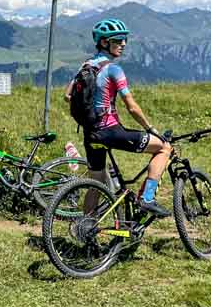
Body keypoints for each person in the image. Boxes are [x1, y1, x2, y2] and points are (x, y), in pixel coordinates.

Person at [64, 18, 173, 217]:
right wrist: (151, 129)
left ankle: (85, 227)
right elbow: (131, 107)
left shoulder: (85, 66)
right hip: (110, 130)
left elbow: (67, 95)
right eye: (118, 40)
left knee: (96, 184)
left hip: (91, 134)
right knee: (164, 148)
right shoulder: (113, 69)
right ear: (105, 43)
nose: (123, 44)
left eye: (125, 40)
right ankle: (147, 198)